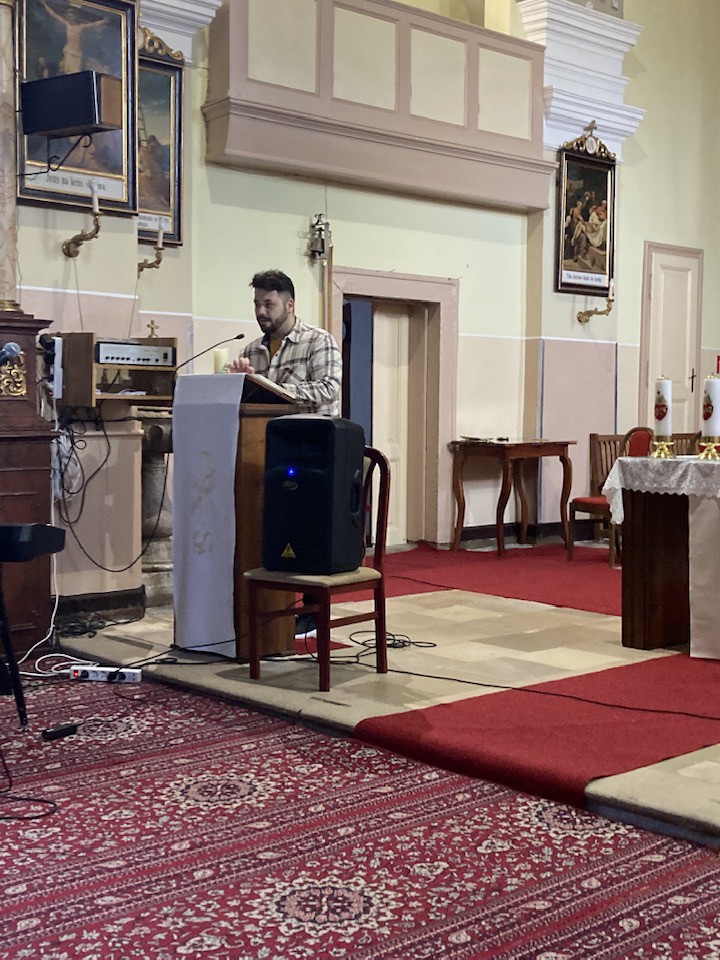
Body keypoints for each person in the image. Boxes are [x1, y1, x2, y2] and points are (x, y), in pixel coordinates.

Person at [229, 269, 342, 417]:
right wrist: (239, 385)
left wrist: (274, 391)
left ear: (290, 306)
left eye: (269, 304)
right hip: (262, 430)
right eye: (257, 304)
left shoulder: (318, 340)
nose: (260, 312)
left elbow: (328, 389)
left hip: (311, 430)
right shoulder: (250, 352)